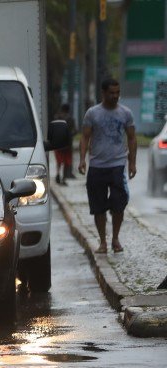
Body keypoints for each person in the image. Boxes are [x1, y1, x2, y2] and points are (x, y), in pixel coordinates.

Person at [78, 78, 137, 253]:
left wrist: (132, 163)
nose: (115, 96)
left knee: (119, 204)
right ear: (103, 93)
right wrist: (82, 159)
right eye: (111, 93)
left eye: (117, 92)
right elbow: (85, 137)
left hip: (118, 165)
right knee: (98, 207)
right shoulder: (92, 113)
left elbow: (132, 138)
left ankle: (116, 239)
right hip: (97, 166)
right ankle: (103, 241)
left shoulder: (126, 113)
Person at [53, 102, 77, 184]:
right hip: (67, 145)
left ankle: (57, 174)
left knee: (59, 161)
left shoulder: (56, 117)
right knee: (66, 162)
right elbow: (75, 131)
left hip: (58, 144)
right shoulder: (71, 119)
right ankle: (63, 178)